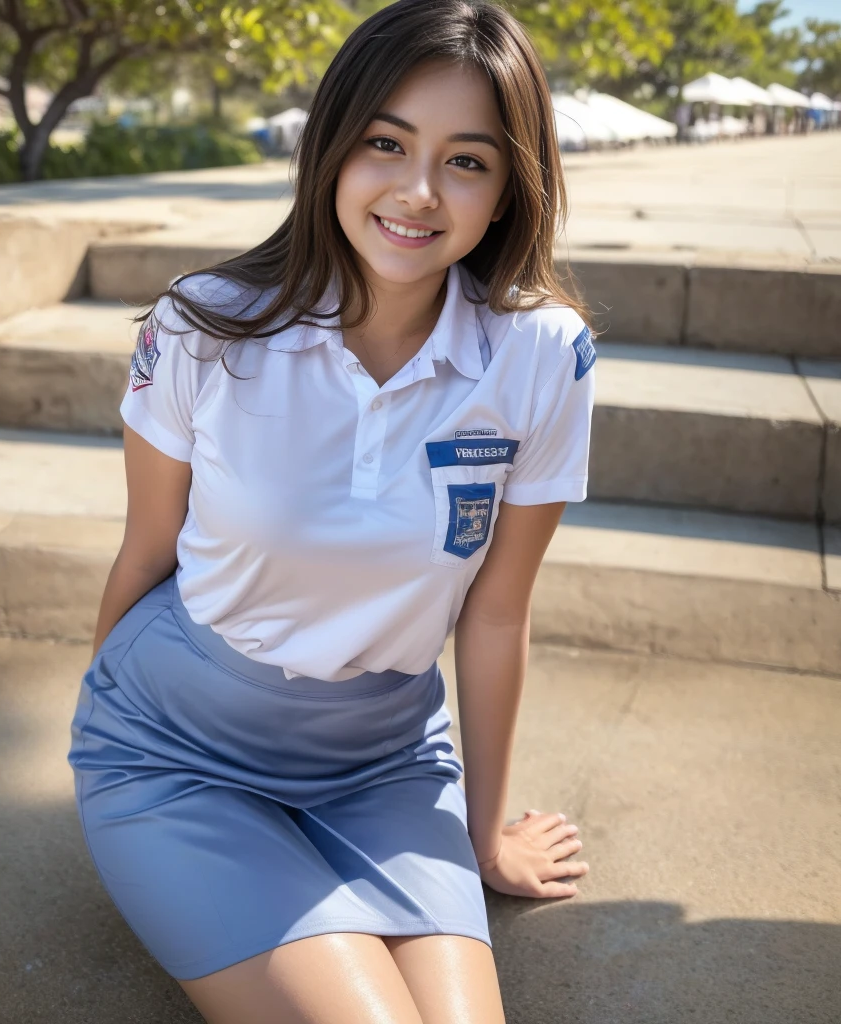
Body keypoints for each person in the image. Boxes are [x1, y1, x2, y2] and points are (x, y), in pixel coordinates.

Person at [67, 1, 596, 1020]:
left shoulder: (543, 355)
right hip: (177, 751)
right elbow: (147, 552)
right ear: (331, 148)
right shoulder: (201, 326)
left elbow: (494, 612)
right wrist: (101, 730)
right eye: (385, 143)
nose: (417, 190)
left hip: (385, 761)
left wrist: (485, 833)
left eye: (467, 160)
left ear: (509, 188)